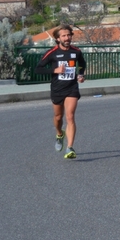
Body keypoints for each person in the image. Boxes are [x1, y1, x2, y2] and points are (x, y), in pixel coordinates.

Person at [35, 24, 86, 159]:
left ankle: (69, 148)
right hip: (57, 89)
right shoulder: (52, 53)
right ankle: (59, 134)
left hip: (72, 88)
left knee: (70, 116)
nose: (67, 38)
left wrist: (80, 74)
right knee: (58, 117)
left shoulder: (76, 51)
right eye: (63, 35)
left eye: (69, 35)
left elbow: (82, 64)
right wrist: (54, 70)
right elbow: (38, 69)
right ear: (58, 39)